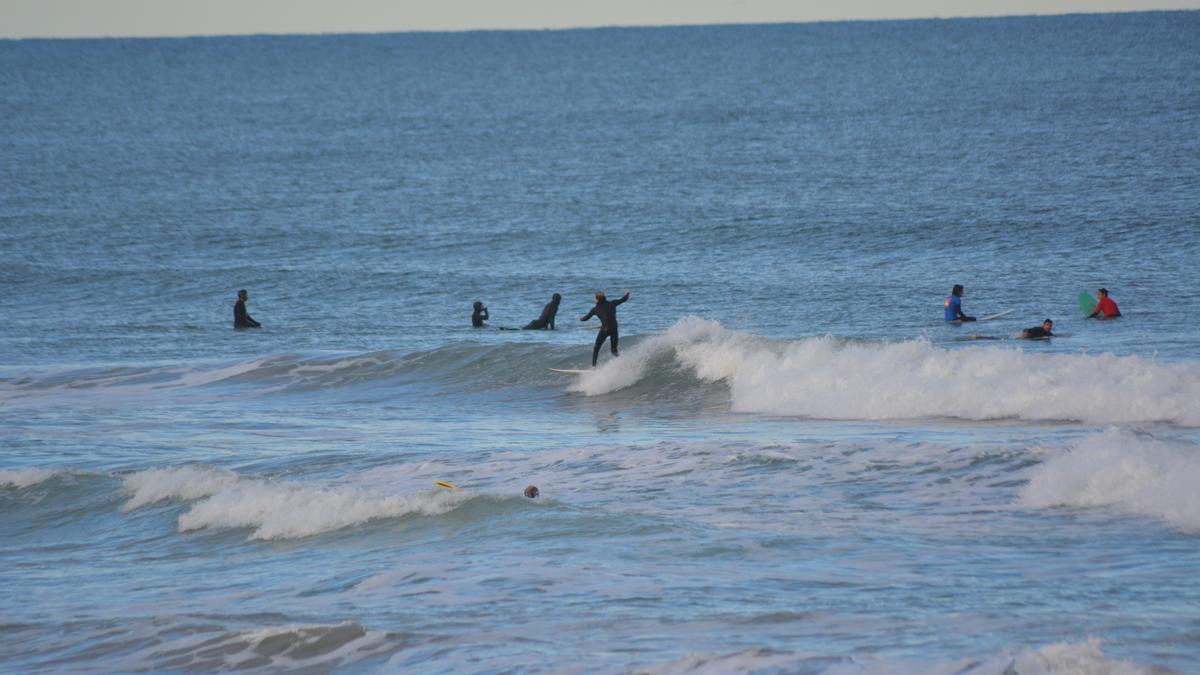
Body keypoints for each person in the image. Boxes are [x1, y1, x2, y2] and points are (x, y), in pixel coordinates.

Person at [580, 290, 630, 367]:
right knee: (614, 351)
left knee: (596, 348)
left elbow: (585, 319)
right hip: (614, 329)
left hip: (605, 330)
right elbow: (624, 299)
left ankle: (594, 367)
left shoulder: (595, 309)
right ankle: (623, 363)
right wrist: (627, 293)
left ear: (597, 299)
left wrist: (580, 318)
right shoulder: (612, 303)